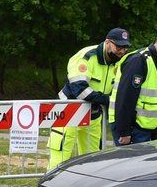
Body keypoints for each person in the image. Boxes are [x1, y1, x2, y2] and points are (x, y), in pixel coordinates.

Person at [46, 27, 132, 168]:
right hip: (68, 111)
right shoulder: (87, 56)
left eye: (125, 47)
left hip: (93, 113)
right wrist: (108, 100)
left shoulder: (119, 62)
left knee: (92, 160)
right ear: (108, 42)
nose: (122, 51)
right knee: (59, 158)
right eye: (119, 46)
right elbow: (79, 89)